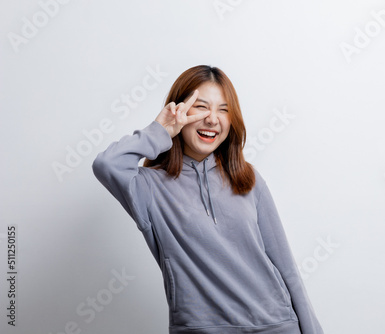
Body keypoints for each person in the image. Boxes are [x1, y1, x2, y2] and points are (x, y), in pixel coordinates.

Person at [92, 65, 324, 334]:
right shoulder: (149, 187)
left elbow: (287, 268)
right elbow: (107, 165)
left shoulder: (248, 179)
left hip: (276, 325)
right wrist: (161, 130)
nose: (213, 119)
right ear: (179, 111)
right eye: (201, 107)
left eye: (223, 110)